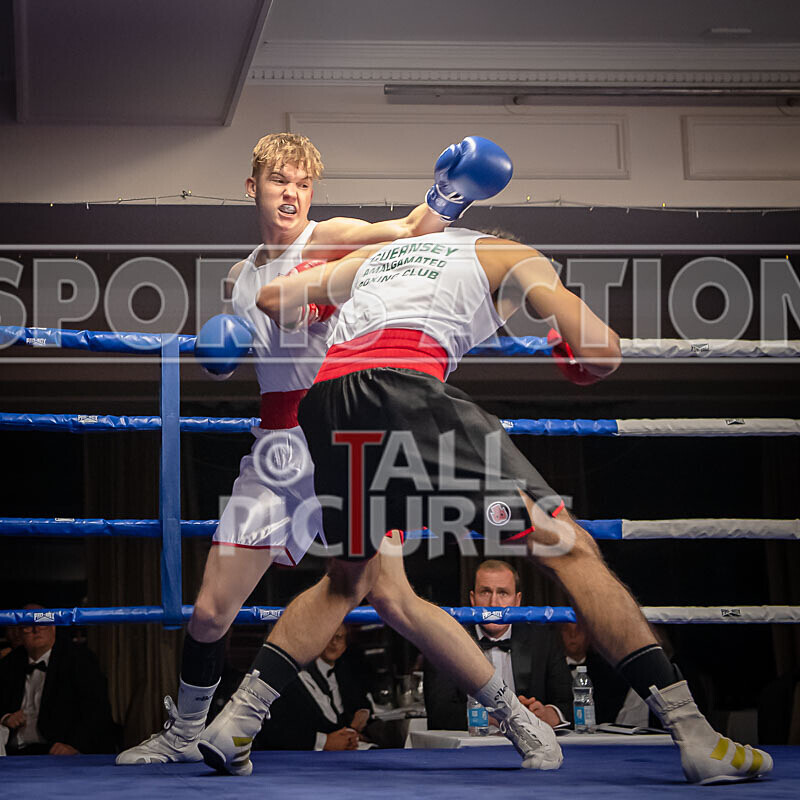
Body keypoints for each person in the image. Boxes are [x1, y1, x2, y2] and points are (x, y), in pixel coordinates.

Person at [197, 227, 773, 784]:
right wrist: (568, 346)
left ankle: (238, 720)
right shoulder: (510, 256)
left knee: (349, 580)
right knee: (570, 547)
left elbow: (275, 297)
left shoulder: (382, 256)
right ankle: (694, 734)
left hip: (326, 406)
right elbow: (603, 353)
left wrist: (278, 301)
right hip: (406, 388)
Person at [117, 132, 510, 764]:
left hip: (343, 438)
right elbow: (257, 346)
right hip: (275, 450)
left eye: (302, 183)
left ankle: (515, 717)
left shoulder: (329, 237)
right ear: (254, 188)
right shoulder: (238, 277)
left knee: (395, 599)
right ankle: (186, 732)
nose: (292, 194)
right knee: (211, 610)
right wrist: (225, 349)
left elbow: (410, 229)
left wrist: (447, 196)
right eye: (280, 181)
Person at [424, 560, 572, 730]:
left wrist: (547, 714)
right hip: (470, 744)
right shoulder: (445, 641)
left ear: (517, 601)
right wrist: (489, 718)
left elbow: (569, 703)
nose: (493, 603)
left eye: (503, 593)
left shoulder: (543, 639)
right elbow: (438, 714)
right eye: (485, 592)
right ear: (473, 599)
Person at [0, 604, 115, 756]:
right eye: (28, 625)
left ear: (53, 626)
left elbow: (96, 710)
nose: (36, 629)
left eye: (42, 622)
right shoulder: (8, 663)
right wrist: (5, 718)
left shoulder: (79, 659)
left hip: (57, 751)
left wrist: (74, 745)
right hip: (11, 752)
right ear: (20, 632)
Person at [254, 624, 372, 751]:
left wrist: (351, 734)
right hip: (299, 756)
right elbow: (271, 729)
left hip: (347, 746)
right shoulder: (272, 678)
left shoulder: (330, 671)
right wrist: (323, 742)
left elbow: (349, 708)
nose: (334, 642)